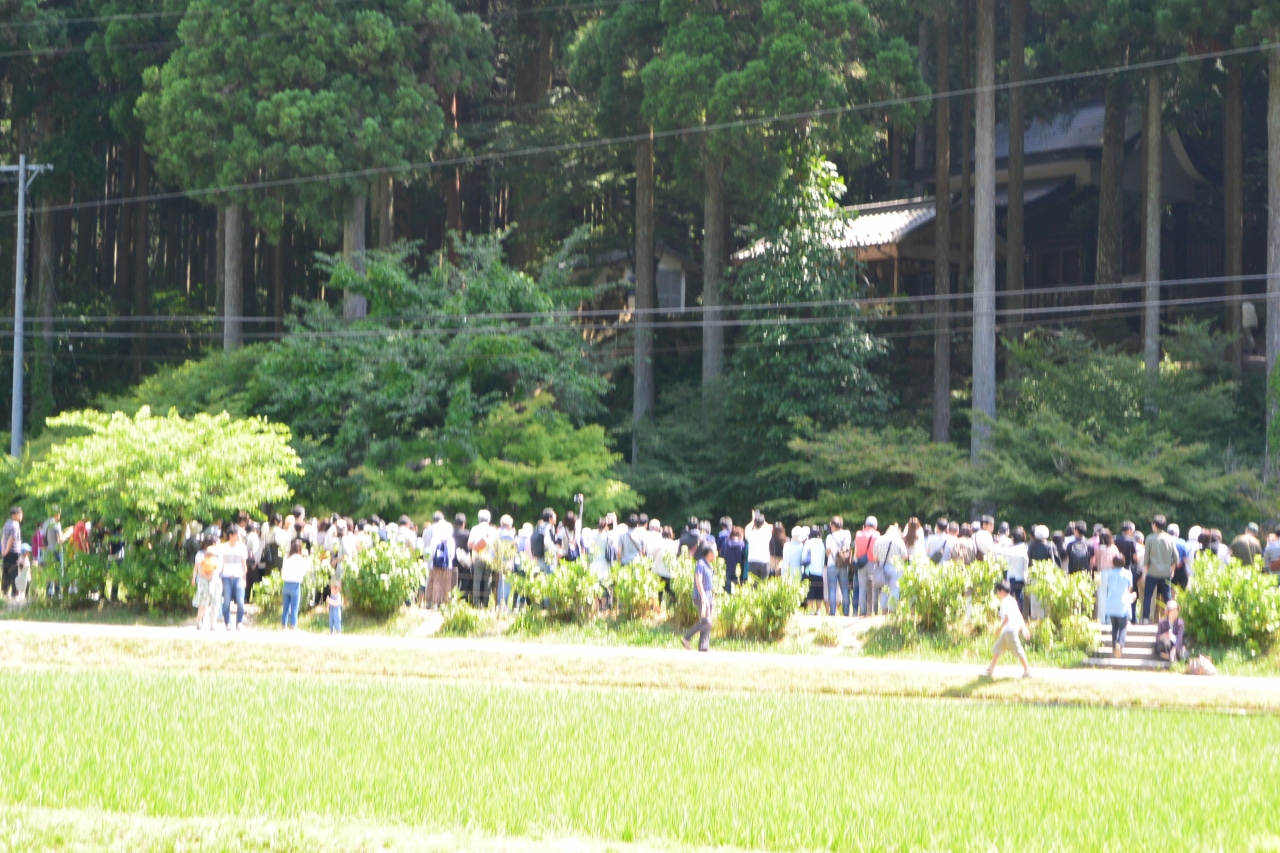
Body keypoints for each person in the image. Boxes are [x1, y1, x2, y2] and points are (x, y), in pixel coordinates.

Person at [985, 580, 1031, 679]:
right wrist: (1024, 628)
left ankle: (1027, 670)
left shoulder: (1005, 602)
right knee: (998, 648)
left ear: (1002, 591)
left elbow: (1007, 618)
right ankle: (990, 669)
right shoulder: (1012, 600)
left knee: (1017, 650)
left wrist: (999, 629)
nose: (997, 594)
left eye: (998, 592)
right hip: (1008, 631)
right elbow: (1019, 615)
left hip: (1010, 631)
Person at [681, 542, 716, 652]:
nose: (716, 554)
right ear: (709, 553)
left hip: (709, 597)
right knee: (706, 621)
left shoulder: (708, 565)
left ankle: (703, 646)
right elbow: (698, 580)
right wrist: (703, 596)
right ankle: (687, 638)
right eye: (714, 551)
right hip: (701, 597)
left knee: (708, 623)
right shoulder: (701, 564)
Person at [1144, 515, 1178, 623]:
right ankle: (1172, 619)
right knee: (1167, 597)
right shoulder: (1170, 538)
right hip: (1165, 573)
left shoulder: (1150, 538)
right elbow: (1176, 557)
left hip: (1152, 572)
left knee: (1148, 597)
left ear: (1154, 525)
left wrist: (1146, 571)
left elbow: (1146, 558)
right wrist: (1172, 568)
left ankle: (1146, 619)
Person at [1099, 552, 1134, 659]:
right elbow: (1129, 588)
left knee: (1114, 626)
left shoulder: (1108, 574)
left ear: (1113, 563)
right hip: (1122, 603)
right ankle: (1120, 644)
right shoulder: (1128, 574)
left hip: (1110, 602)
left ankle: (1114, 647)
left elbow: (1106, 587)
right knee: (1123, 626)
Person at [218, 525, 250, 630]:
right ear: (231, 536)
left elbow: (244, 564)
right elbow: (220, 563)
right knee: (226, 602)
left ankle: (239, 622)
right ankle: (228, 622)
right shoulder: (223, 547)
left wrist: (244, 578)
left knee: (240, 601)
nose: (238, 536)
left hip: (238, 577)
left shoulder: (242, 547)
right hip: (226, 577)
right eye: (236, 534)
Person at [873, 523, 907, 613]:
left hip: (882, 567)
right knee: (895, 589)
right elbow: (905, 556)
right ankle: (892, 610)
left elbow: (875, 557)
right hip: (895, 568)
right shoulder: (898, 540)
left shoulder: (879, 540)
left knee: (884, 590)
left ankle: (884, 610)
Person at [190, 534, 221, 631]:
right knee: (203, 603)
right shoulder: (201, 555)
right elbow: (198, 568)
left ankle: (212, 624)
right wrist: (203, 576)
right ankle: (200, 622)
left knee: (214, 603)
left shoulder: (217, 556)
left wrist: (211, 575)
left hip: (214, 581)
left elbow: (219, 568)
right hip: (204, 581)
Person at [40, 507, 72, 600]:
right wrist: (68, 533)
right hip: (56, 551)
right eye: (59, 513)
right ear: (56, 514)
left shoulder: (46, 523)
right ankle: (58, 593)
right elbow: (60, 540)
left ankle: (49, 593)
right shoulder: (56, 524)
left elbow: (43, 539)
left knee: (50, 572)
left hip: (47, 551)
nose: (60, 515)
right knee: (58, 572)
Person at [468, 510, 498, 607]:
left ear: (479, 518)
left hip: (478, 557)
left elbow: (469, 545)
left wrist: (477, 547)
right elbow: (496, 545)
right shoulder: (493, 530)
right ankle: (485, 603)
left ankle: (476, 603)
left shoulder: (474, 529)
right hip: (489, 559)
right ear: (489, 519)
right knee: (487, 581)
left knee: (477, 580)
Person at [426, 511, 456, 607]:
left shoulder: (435, 538)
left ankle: (433, 603)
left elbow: (431, 552)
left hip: (435, 565)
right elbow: (452, 555)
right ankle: (444, 603)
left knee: (435, 583)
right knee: (446, 584)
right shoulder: (451, 540)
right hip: (447, 565)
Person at [824, 517, 853, 617]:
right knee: (845, 589)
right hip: (843, 564)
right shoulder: (847, 534)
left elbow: (828, 553)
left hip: (832, 564)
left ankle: (832, 612)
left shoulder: (829, 537)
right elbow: (847, 547)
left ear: (833, 525)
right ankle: (846, 612)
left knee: (832, 588)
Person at [999, 527, 1031, 615]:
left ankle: (1007, 614)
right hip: (1022, 577)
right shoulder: (1025, 547)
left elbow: (1001, 552)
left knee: (1007, 597)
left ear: (1013, 538)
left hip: (1013, 577)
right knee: (1019, 597)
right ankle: (1022, 614)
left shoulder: (1013, 549)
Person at [280, 538, 310, 630]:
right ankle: (293, 626)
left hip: (286, 584)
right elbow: (307, 569)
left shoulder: (286, 557)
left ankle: (284, 626)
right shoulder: (300, 558)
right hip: (295, 585)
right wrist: (307, 556)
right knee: (294, 607)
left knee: (285, 607)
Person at [854, 517, 880, 616]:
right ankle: (873, 611)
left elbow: (856, 552)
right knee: (874, 588)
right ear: (875, 526)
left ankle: (863, 611)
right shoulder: (877, 535)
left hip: (861, 563)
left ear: (865, 525)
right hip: (873, 564)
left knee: (862, 588)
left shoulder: (858, 534)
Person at [802, 525, 826, 613]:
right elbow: (823, 558)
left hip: (810, 571)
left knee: (810, 592)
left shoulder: (808, 543)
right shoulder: (822, 543)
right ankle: (818, 610)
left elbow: (803, 557)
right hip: (820, 571)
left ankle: (811, 610)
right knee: (819, 592)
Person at [2, 506, 23, 599]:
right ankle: (15, 592)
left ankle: (5, 591)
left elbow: (3, 536)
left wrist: (3, 549)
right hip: (14, 551)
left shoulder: (7, 523)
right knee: (14, 571)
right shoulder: (15, 524)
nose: (21, 516)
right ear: (14, 515)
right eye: (20, 514)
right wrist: (7, 549)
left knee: (6, 571)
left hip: (6, 551)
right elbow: (12, 538)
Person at [744, 511, 772, 580]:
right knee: (764, 583)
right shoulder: (767, 533)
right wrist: (763, 520)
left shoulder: (750, 534)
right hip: (764, 560)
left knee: (753, 583)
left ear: (754, 523)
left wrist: (753, 519)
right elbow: (769, 527)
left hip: (752, 560)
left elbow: (747, 527)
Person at [533, 508, 558, 574]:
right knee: (550, 578)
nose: (555, 516)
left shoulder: (539, 526)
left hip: (540, 557)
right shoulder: (548, 527)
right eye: (554, 515)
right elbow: (546, 542)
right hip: (548, 557)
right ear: (550, 518)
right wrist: (556, 548)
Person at [722, 526, 747, 593]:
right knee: (738, 589)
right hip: (738, 569)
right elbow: (744, 557)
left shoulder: (725, 543)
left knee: (727, 590)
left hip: (727, 568)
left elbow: (722, 555)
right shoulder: (742, 544)